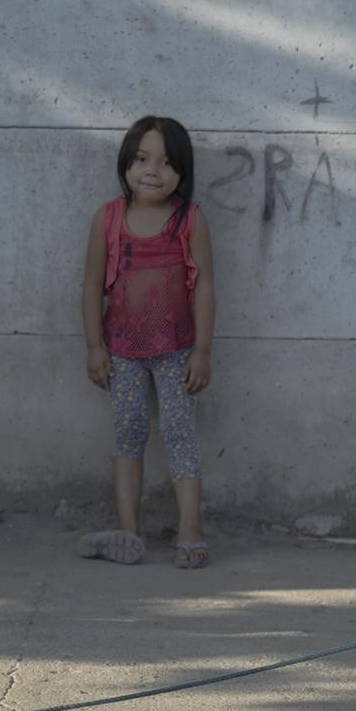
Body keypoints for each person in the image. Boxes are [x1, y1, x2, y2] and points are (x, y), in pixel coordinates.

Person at [78, 117, 217, 568]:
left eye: (165, 162)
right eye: (141, 159)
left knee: (180, 437)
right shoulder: (108, 218)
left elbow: (206, 287)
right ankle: (127, 530)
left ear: (183, 173)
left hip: (177, 351)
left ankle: (191, 531)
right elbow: (91, 285)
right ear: (126, 163)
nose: (152, 171)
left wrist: (202, 351)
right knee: (129, 434)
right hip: (122, 353)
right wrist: (94, 347)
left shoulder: (190, 221)